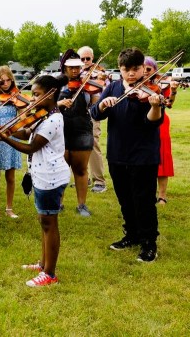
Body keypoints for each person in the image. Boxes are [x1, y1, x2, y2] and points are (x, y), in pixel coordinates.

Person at [0, 75, 70, 287]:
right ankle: (43, 264)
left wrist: (5, 138)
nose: (32, 99)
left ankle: (50, 274)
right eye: (32, 94)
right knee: (44, 222)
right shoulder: (43, 115)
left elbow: (31, 146)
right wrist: (7, 130)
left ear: (51, 94)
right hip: (43, 174)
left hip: (51, 177)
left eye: (36, 95)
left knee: (49, 223)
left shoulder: (54, 119)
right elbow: (27, 131)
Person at [91, 48, 164, 263]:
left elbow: (153, 121)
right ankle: (131, 234)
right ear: (120, 69)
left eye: (135, 69)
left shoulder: (151, 91)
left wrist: (155, 106)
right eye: (126, 70)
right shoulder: (112, 87)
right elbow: (96, 113)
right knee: (125, 199)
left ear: (143, 68)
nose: (131, 74)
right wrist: (103, 104)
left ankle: (149, 243)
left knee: (144, 201)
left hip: (143, 155)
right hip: (118, 153)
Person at [57, 49, 97, 217]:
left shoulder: (88, 84)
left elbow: (95, 107)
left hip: (82, 128)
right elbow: (44, 104)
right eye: (71, 67)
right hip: (61, 130)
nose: (75, 70)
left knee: (81, 170)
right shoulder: (56, 83)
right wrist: (59, 103)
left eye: (77, 67)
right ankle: (58, 203)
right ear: (64, 68)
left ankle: (82, 205)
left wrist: (94, 94)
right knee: (61, 169)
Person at [0, 65, 22, 219]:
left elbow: (21, 118)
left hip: (11, 137)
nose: (6, 84)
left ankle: (9, 208)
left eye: (8, 81)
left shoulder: (16, 97)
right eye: (2, 81)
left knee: (10, 175)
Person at [144, 57, 177, 205]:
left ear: (155, 70)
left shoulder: (161, 84)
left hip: (160, 123)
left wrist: (174, 90)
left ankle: (162, 195)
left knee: (162, 157)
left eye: (149, 69)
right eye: (142, 68)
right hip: (140, 123)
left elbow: (169, 102)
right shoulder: (135, 83)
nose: (145, 72)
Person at [79, 46, 108, 194]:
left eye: (87, 59)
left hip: (92, 111)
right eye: (82, 59)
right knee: (80, 145)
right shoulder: (76, 72)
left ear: (93, 58)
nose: (85, 62)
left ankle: (99, 181)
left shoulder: (100, 72)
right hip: (78, 113)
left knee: (93, 144)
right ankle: (85, 177)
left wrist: (101, 79)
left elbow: (105, 89)